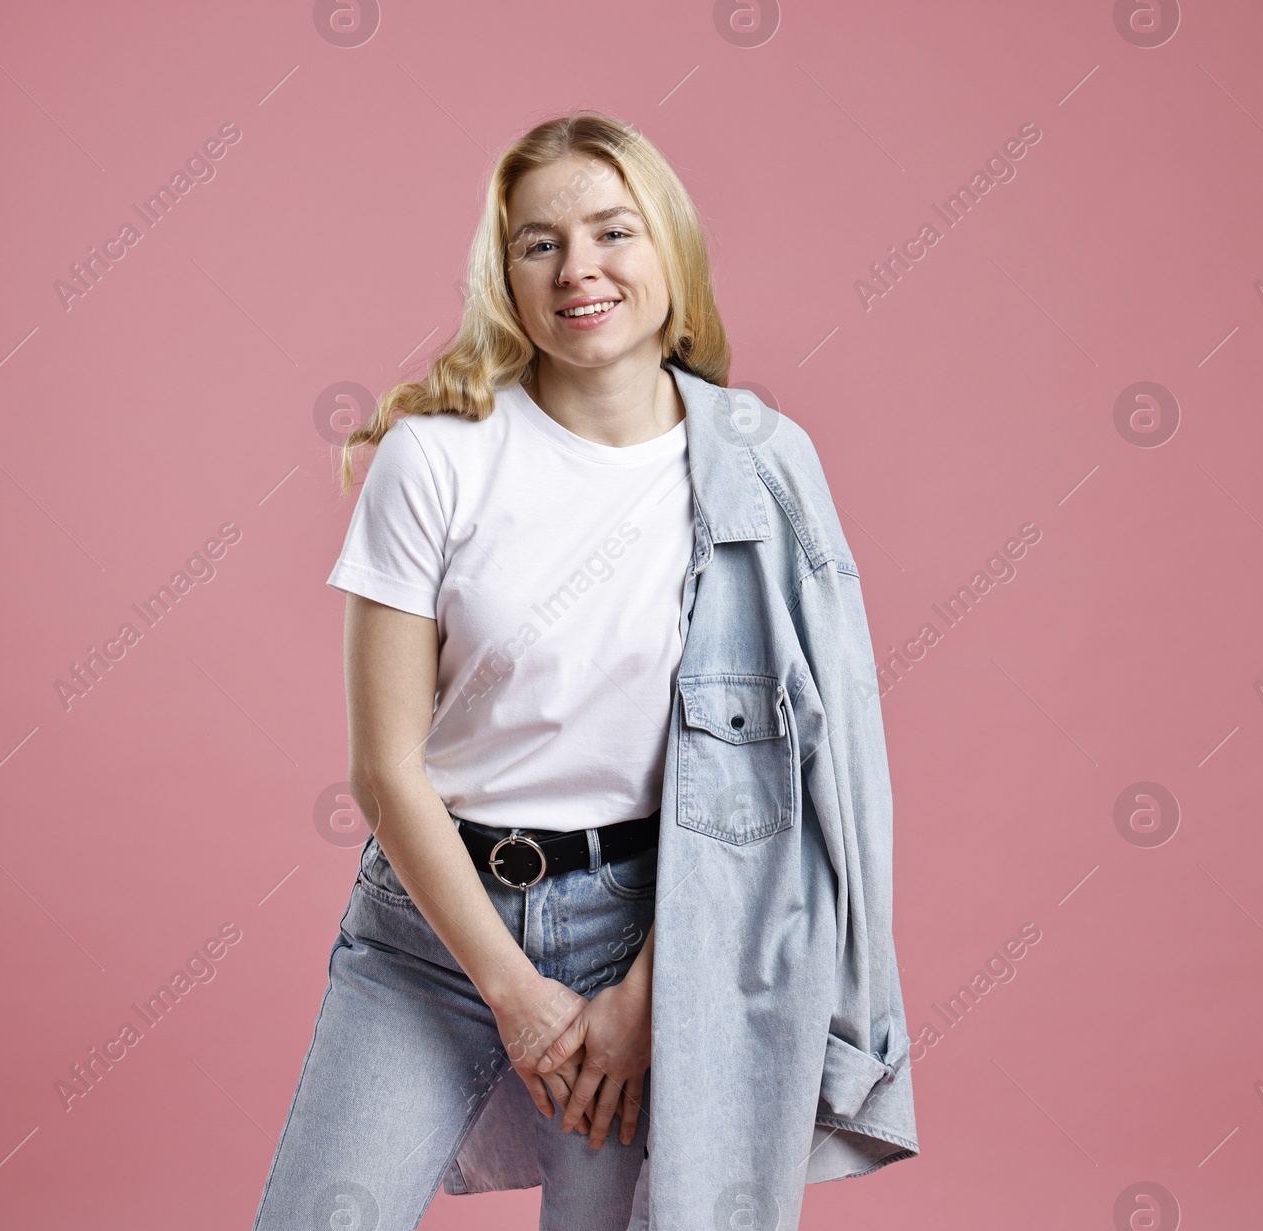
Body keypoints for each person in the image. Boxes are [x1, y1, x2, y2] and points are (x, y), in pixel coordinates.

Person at [251, 110, 918, 1231]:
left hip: (654, 926)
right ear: (502, 271)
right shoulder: (434, 454)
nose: (579, 270)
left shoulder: (762, 466)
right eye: (537, 242)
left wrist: (650, 998)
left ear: (670, 250)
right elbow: (385, 773)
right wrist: (513, 994)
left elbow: (804, 777)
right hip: (432, 925)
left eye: (613, 231)